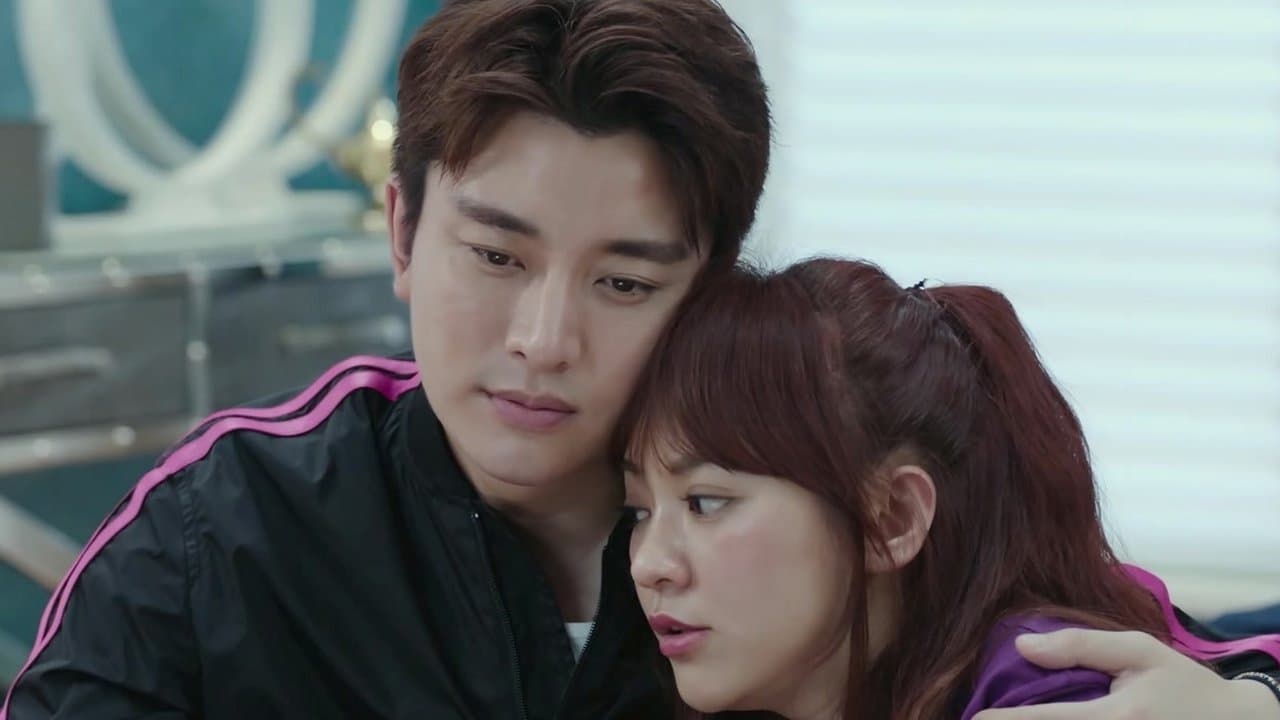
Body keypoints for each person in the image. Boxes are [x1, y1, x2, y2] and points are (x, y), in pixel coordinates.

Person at [2, 1, 1276, 718]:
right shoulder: (225, 535)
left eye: (622, 281)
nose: (542, 342)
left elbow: (1153, 642)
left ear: (709, 280)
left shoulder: (805, 523)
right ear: (399, 233)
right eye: (493, 255)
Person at [618, 258, 1280, 719]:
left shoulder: (1050, 692)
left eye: (705, 502)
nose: (648, 565)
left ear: (892, 518)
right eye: (639, 510)